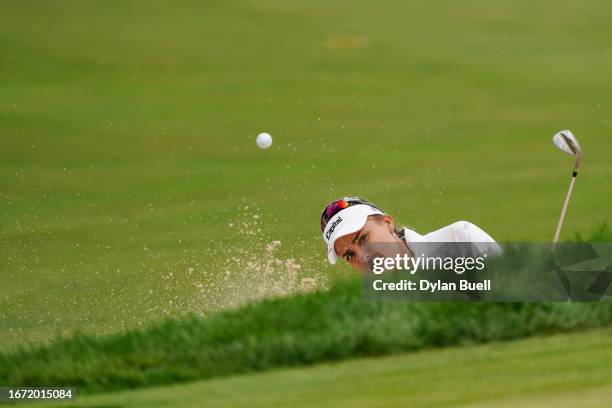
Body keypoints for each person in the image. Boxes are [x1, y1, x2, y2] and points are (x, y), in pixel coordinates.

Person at [320, 197, 501, 271]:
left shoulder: (460, 239)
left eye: (363, 238)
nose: (363, 256)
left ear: (388, 223)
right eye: (350, 255)